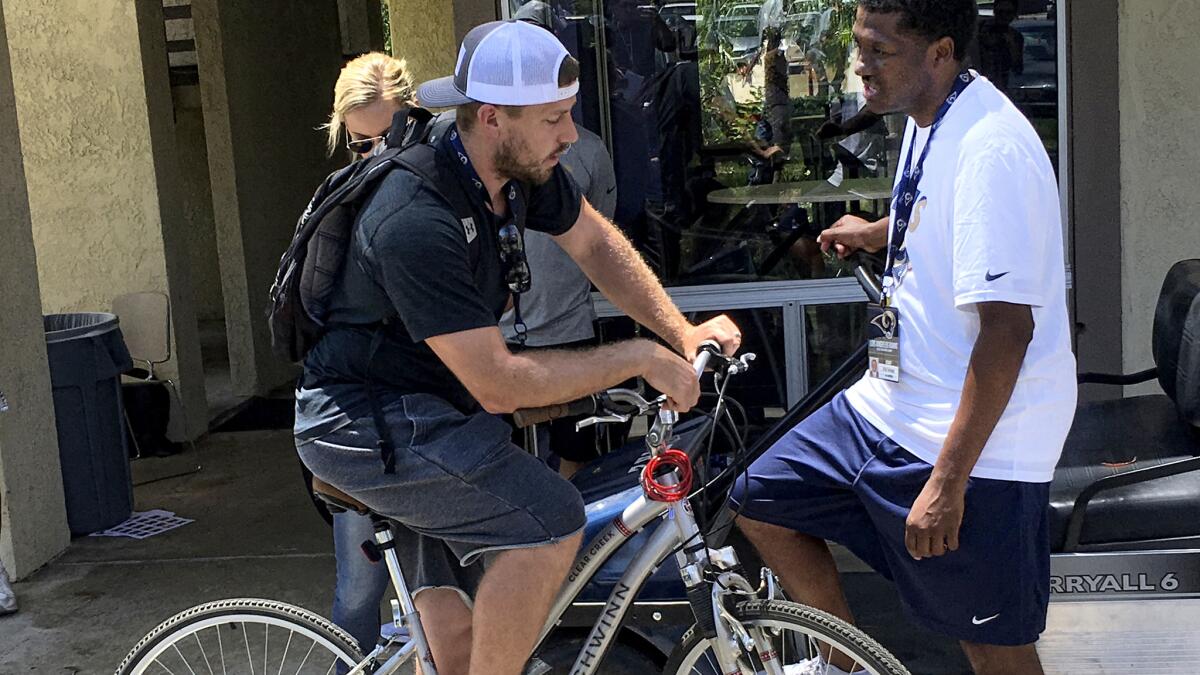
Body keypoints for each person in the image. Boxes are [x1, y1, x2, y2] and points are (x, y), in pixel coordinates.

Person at [294, 20, 740, 675]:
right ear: (494, 117)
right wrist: (639, 357)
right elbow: (497, 382)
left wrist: (680, 331)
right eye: (555, 118)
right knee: (552, 517)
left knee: (456, 642)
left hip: (429, 409)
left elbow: (594, 243)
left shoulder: (517, 169)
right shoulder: (415, 217)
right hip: (363, 422)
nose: (570, 134)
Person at [730, 2, 1075, 674]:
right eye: (858, 46)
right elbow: (941, 210)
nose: (860, 65)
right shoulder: (929, 114)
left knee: (991, 647)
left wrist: (948, 484)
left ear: (940, 52)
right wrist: (882, 230)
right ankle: (846, 661)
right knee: (753, 494)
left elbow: (1008, 332)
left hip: (977, 443)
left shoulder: (990, 151)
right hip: (889, 406)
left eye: (879, 51)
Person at [316, 51, 417, 660]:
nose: (378, 156)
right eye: (360, 144)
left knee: (445, 596)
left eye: (392, 138)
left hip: (432, 419)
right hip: (359, 422)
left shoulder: (441, 192)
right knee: (360, 593)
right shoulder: (337, 208)